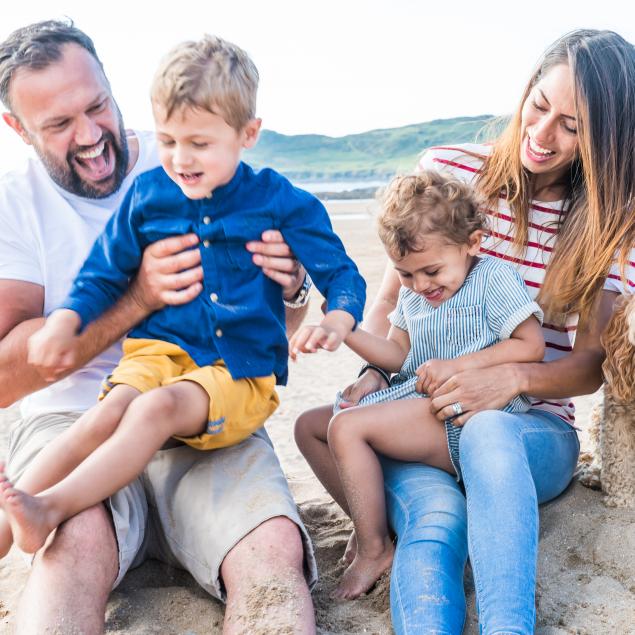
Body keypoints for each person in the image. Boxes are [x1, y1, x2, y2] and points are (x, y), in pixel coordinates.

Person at [292, 29, 635, 633]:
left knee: (488, 433)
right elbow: (394, 300)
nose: (541, 133)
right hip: (425, 413)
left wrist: (505, 378)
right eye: (538, 105)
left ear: (605, 139)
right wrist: (374, 370)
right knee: (433, 522)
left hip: (532, 430)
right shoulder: (449, 171)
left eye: (572, 126)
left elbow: (586, 370)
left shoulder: (614, 226)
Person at [0, 20, 320, 633]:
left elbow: (283, 320)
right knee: (71, 550)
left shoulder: (191, 151)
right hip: (76, 413)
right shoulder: (15, 206)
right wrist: (137, 297)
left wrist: (295, 285)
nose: (92, 136)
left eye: (98, 106)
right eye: (60, 124)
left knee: (271, 550)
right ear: (18, 129)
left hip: (205, 397)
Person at [292, 170, 544, 600]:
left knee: (348, 429)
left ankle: (374, 548)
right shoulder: (413, 295)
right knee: (309, 426)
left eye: (431, 271)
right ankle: (370, 521)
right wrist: (346, 329)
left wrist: (459, 365)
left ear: (472, 244)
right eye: (406, 275)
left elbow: (530, 345)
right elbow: (398, 357)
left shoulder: (492, 279)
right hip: (417, 406)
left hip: (467, 415)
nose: (420, 285)